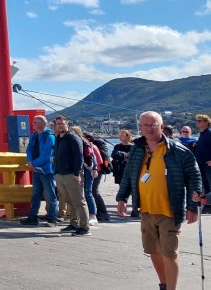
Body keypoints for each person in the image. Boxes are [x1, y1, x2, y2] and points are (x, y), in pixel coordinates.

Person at [116, 111, 202, 290]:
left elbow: (194, 177)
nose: (148, 128)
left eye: (152, 124)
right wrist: (122, 198)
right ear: (140, 128)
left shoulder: (178, 151)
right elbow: (128, 175)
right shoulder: (137, 150)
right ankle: (164, 285)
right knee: (153, 251)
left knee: (169, 253)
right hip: (146, 210)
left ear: (161, 127)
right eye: (144, 125)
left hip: (169, 210)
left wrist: (192, 206)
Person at [20, 115, 59, 227]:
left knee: (50, 195)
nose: (33, 124)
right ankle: (33, 217)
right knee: (35, 195)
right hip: (36, 169)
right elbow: (29, 149)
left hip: (46, 170)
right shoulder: (34, 135)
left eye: (35, 122)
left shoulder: (49, 136)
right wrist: (30, 161)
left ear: (42, 124)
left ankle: (53, 218)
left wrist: (33, 163)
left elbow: (46, 155)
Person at [53, 116, 90, 236]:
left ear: (67, 124)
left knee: (79, 201)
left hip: (72, 174)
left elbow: (79, 156)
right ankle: (74, 224)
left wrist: (77, 173)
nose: (60, 126)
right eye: (58, 124)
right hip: (60, 174)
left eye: (62, 124)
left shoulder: (73, 137)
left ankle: (85, 227)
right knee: (69, 200)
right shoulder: (58, 138)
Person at [71, 126, 97, 226]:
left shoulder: (84, 142)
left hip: (87, 169)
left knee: (87, 192)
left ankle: (92, 214)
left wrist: (94, 168)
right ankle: (81, 215)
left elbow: (92, 156)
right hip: (80, 170)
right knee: (80, 193)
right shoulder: (76, 142)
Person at [83, 131, 111, 223]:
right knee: (92, 191)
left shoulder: (93, 147)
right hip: (90, 171)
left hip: (96, 171)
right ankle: (99, 212)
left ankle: (103, 212)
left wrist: (93, 168)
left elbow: (99, 161)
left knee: (94, 191)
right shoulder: (86, 146)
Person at [194, 115, 211, 214]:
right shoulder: (203, 134)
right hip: (202, 166)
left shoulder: (209, 133)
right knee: (206, 187)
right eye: (196, 120)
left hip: (208, 166)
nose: (197, 122)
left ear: (206, 122)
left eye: (199, 121)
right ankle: (208, 207)